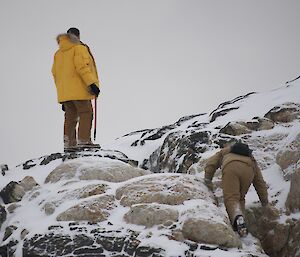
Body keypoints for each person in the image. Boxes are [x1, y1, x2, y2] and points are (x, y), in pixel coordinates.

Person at [204, 142, 269, 236]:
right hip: (248, 169)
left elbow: (211, 164)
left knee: (231, 198)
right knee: (240, 198)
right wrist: (264, 202)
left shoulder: (224, 152)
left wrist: (208, 179)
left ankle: (237, 218)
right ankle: (240, 224)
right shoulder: (251, 159)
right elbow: (259, 182)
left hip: (231, 167)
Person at [52, 28, 100, 152]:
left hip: (65, 93)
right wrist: (92, 84)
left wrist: (63, 96)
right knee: (86, 112)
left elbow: (55, 73)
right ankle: (84, 140)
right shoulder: (79, 48)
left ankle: (69, 144)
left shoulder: (58, 53)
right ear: (77, 36)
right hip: (80, 89)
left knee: (70, 116)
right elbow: (82, 67)